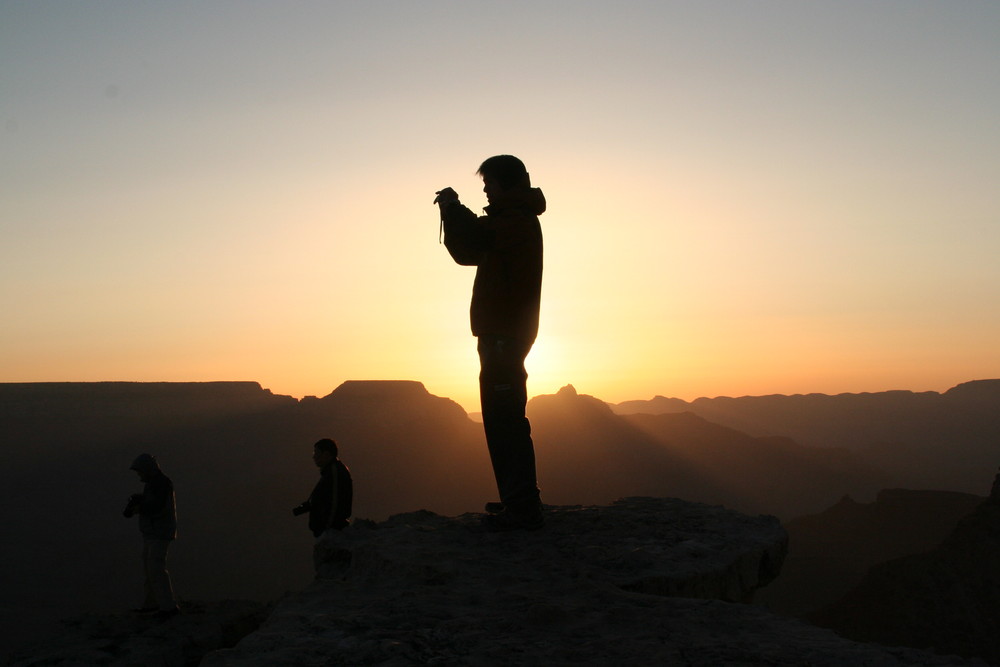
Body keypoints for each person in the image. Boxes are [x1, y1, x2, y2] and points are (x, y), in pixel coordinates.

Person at [435, 154, 545, 531]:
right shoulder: (511, 220)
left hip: (504, 334)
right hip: (501, 333)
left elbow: (476, 239)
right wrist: (453, 211)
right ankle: (518, 501)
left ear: (507, 184)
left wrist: (453, 208)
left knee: (505, 420)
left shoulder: (516, 222)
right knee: (502, 419)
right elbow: (468, 252)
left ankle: (523, 507)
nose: (485, 190)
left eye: (489, 184)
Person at [123, 453, 179, 619]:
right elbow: (154, 502)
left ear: (147, 470)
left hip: (160, 533)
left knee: (156, 568)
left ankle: (168, 608)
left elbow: (158, 507)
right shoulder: (155, 483)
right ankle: (153, 603)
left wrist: (138, 508)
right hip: (153, 533)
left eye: (140, 472)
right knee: (150, 569)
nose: (139, 475)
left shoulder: (161, 484)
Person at [293, 438, 353, 569]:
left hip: (332, 534)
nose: (314, 456)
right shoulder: (332, 471)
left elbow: (336, 503)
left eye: (316, 452)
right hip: (330, 532)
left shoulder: (334, 473)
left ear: (326, 454)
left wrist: (328, 529)